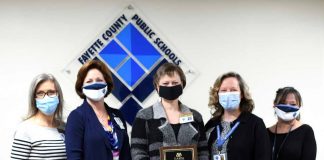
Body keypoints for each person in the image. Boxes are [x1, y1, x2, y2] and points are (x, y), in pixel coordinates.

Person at [131, 62, 209, 160]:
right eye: (165, 83)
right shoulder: (144, 116)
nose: (170, 86)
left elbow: (203, 152)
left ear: (182, 85)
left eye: (175, 83)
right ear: (157, 87)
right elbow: (138, 153)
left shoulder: (195, 117)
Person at [65, 60, 131, 160]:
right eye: (89, 81)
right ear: (81, 87)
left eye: (99, 80)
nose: (94, 84)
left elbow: (126, 154)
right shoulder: (76, 117)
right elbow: (74, 157)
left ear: (107, 84)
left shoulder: (117, 115)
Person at [205, 72, 271, 160]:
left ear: (242, 94)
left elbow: (264, 157)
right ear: (217, 94)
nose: (228, 94)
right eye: (224, 90)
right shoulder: (211, 124)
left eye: (233, 90)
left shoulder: (255, 124)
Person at [10, 73, 66, 159]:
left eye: (51, 92)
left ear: (58, 95)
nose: (46, 97)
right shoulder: (25, 129)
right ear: (34, 98)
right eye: (40, 93)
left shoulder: (64, 127)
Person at [267, 87, 316, 160]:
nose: (287, 107)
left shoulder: (306, 131)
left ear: (299, 107)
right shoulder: (265, 133)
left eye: (293, 104)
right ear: (274, 104)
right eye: (283, 103)